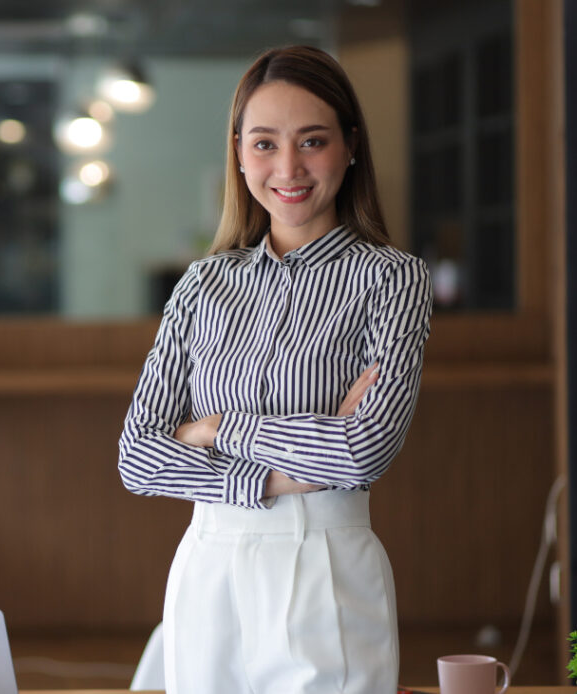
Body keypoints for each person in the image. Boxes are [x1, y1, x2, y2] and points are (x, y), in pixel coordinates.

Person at [117, 45, 432, 693]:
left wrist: (216, 429)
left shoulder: (392, 279)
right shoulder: (203, 284)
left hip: (327, 567)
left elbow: (364, 449)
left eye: (311, 141)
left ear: (349, 146)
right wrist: (290, 474)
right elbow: (138, 458)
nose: (288, 167)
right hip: (208, 568)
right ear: (238, 153)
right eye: (264, 144)